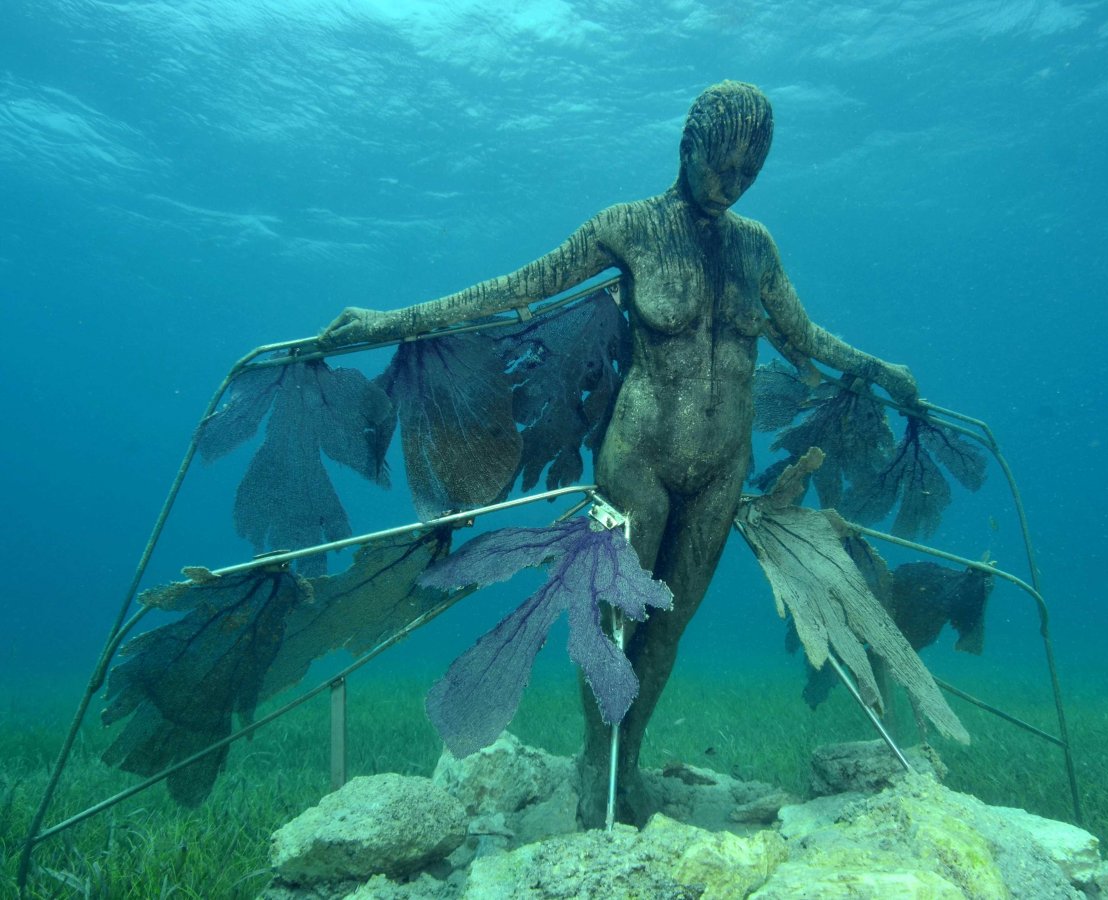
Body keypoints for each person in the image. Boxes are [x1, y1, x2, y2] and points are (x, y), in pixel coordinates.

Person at [321, 80, 919, 826]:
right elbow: (518, 289)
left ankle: (624, 758)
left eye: (749, 173)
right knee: (615, 622)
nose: (731, 186)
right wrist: (392, 321)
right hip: (638, 456)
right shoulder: (629, 226)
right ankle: (594, 756)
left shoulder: (755, 247)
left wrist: (879, 370)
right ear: (686, 146)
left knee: (670, 628)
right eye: (721, 165)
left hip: (722, 469)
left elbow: (805, 338)